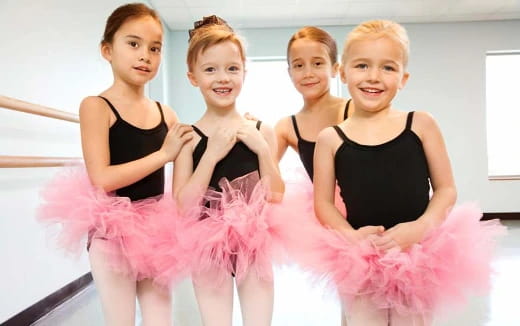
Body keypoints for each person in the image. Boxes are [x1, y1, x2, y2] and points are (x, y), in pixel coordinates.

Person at [306, 20, 505, 325]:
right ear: (343, 72)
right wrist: (351, 237)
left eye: (388, 68)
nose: (374, 77)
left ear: (403, 78)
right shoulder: (330, 138)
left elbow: (445, 189)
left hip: (417, 252)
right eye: (362, 65)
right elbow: (323, 204)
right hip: (361, 254)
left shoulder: (421, 124)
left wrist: (421, 227)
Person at [38, 3, 192, 325]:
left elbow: (182, 184)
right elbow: (102, 177)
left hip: (156, 231)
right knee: (120, 319)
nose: (145, 56)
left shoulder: (167, 114)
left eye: (155, 48)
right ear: (107, 50)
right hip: (112, 231)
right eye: (133, 44)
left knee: (160, 318)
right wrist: (164, 155)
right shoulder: (96, 106)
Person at [168, 15, 285, 326]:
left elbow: (276, 193)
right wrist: (211, 155)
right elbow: (182, 205)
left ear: (244, 72)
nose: (223, 78)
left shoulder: (262, 130)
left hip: (254, 245)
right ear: (193, 77)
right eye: (210, 69)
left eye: (232, 68)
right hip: (207, 249)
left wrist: (261, 148)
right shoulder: (188, 138)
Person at [275, 26, 351, 180]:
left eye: (317, 63)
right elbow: (261, 172)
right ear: (290, 73)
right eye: (299, 65)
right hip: (318, 203)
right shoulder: (287, 127)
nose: (308, 74)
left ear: (335, 69)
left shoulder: (354, 110)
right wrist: (257, 134)